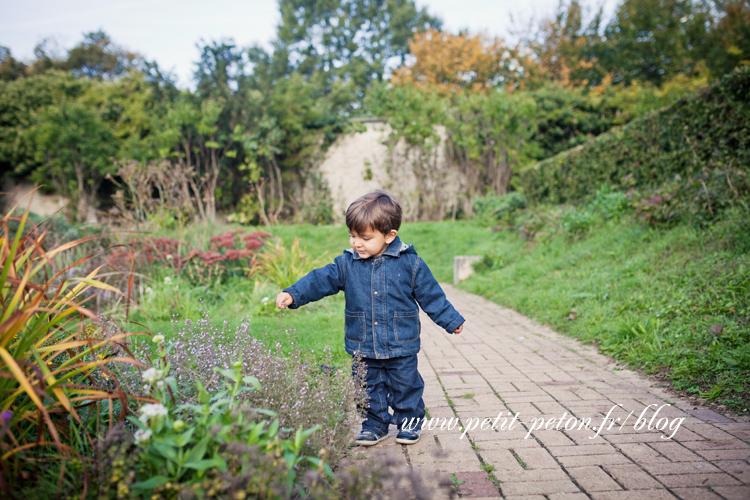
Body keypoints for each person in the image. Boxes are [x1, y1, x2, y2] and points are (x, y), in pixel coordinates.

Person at [275, 190, 464, 446]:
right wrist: (293, 293)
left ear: (389, 236)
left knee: (405, 385)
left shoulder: (411, 264)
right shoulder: (346, 264)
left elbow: (432, 296)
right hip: (362, 342)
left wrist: (450, 320)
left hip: (401, 342)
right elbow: (320, 280)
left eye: (365, 237)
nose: (357, 243)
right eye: (353, 236)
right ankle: (374, 425)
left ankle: (409, 423)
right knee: (366, 388)